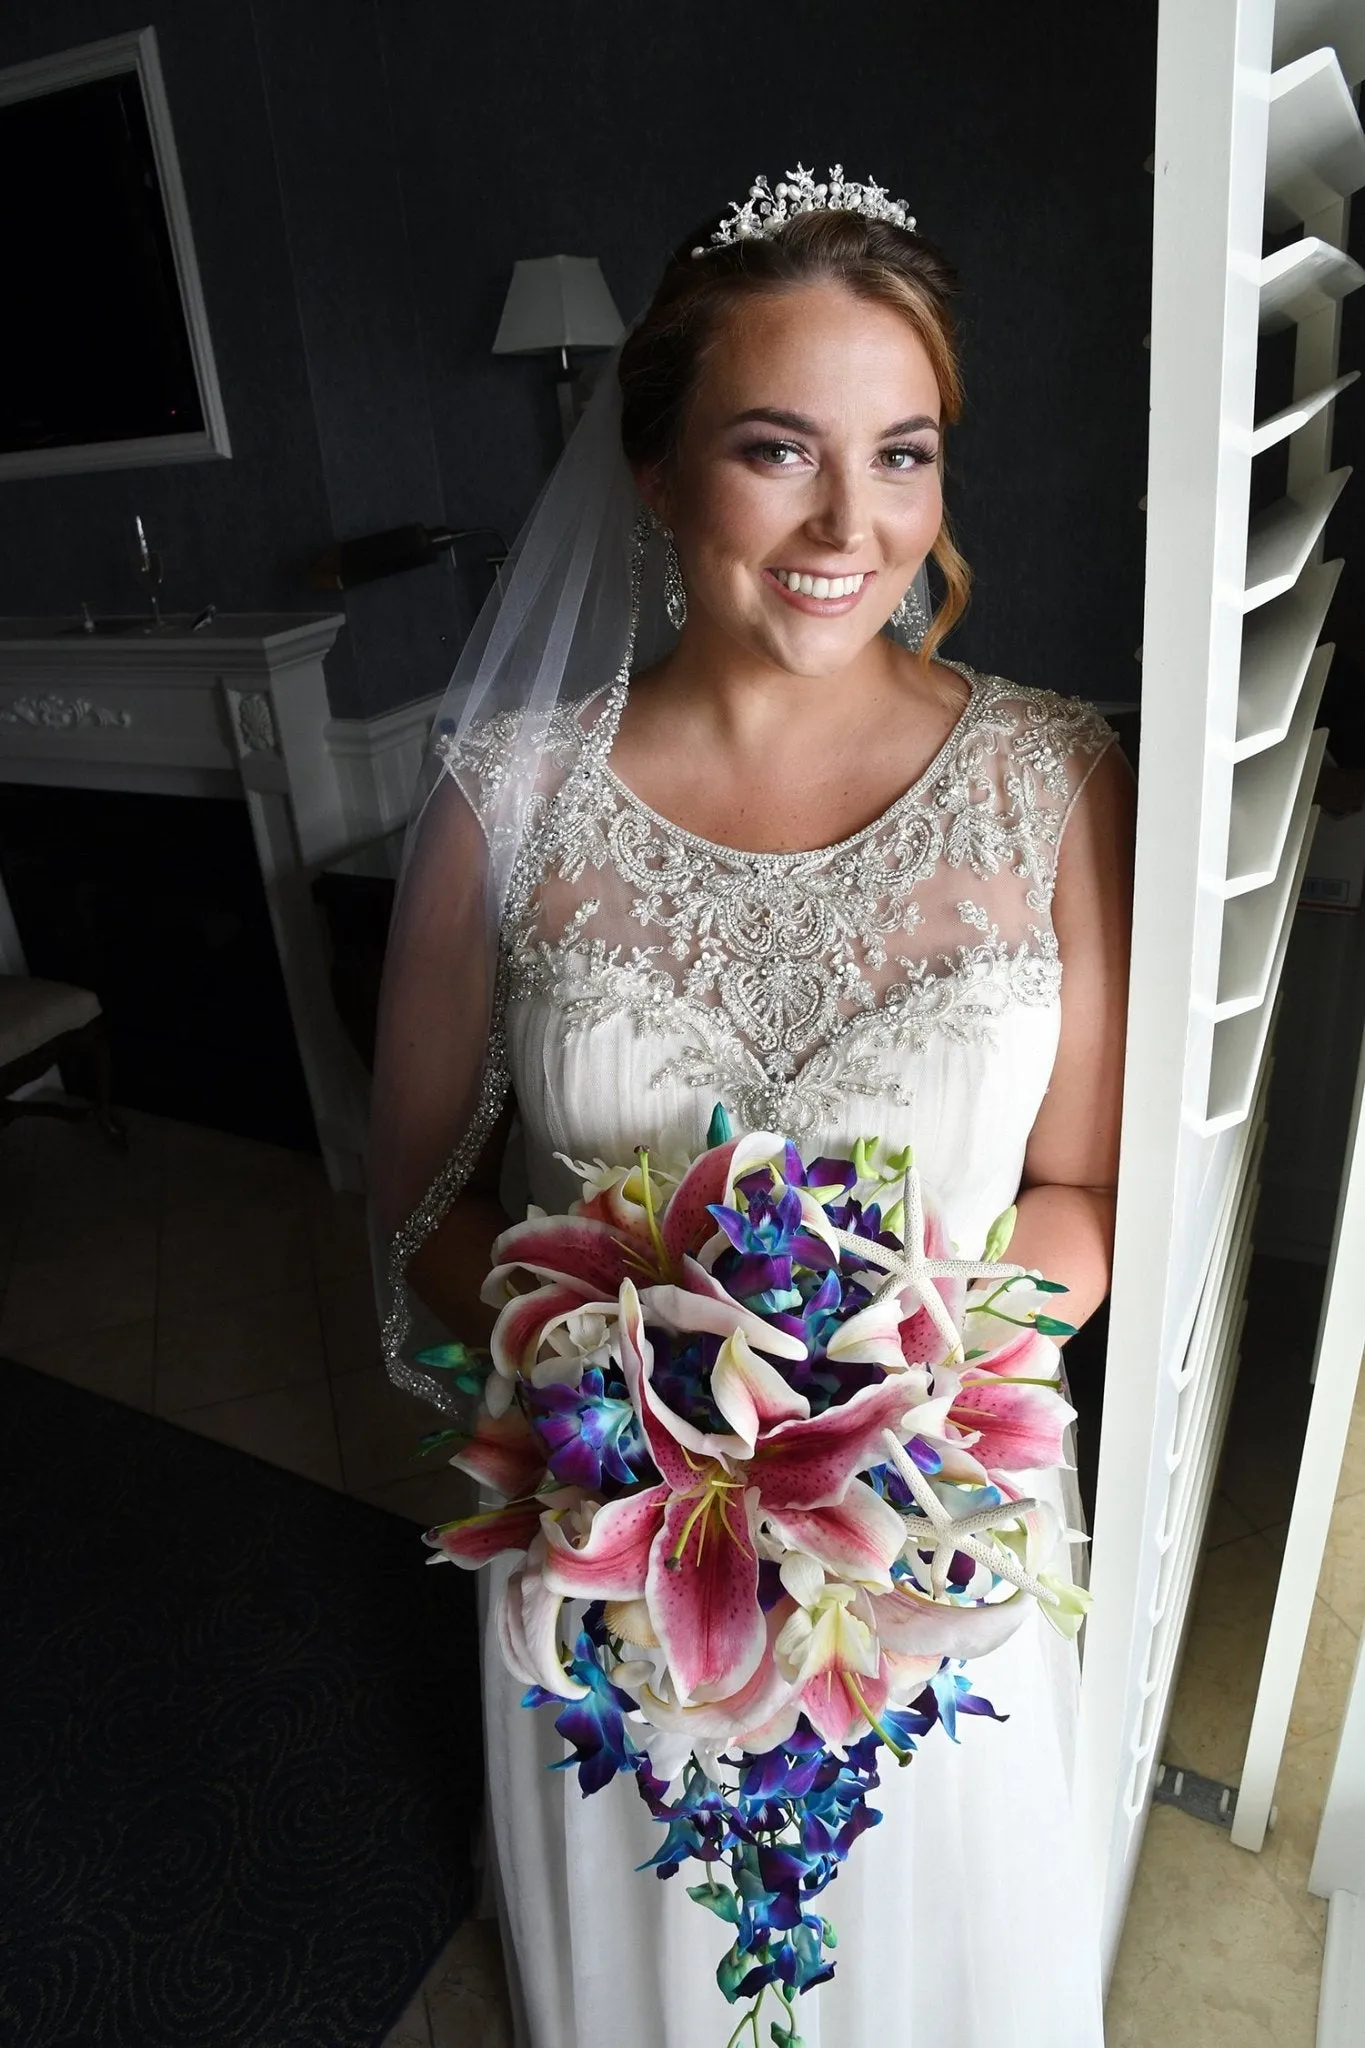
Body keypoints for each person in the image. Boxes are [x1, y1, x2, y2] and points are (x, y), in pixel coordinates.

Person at [370, 169, 1134, 2048]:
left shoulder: (1054, 777)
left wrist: (876, 1419)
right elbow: (414, 1217)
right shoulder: (509, 796)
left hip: (933, 1559)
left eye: (904, 454)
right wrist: (629, 1407)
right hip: (620, 1571)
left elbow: (1083, 1195)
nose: (847, 525)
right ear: (655, 471)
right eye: (776, 449)